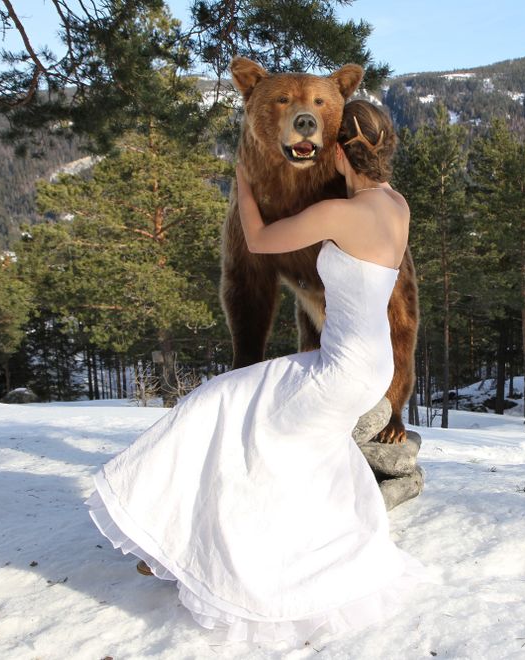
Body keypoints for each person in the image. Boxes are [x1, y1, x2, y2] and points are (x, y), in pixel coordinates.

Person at [85, 100, 429, 648]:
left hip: (340, 368)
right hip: (371, 363)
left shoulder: (342, 214)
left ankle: (196, 547)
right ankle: (199, 541)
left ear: (340, 151)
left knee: (214, 406)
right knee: (278, 443)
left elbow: (259, 241)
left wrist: (244, 184)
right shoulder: (395, 203)